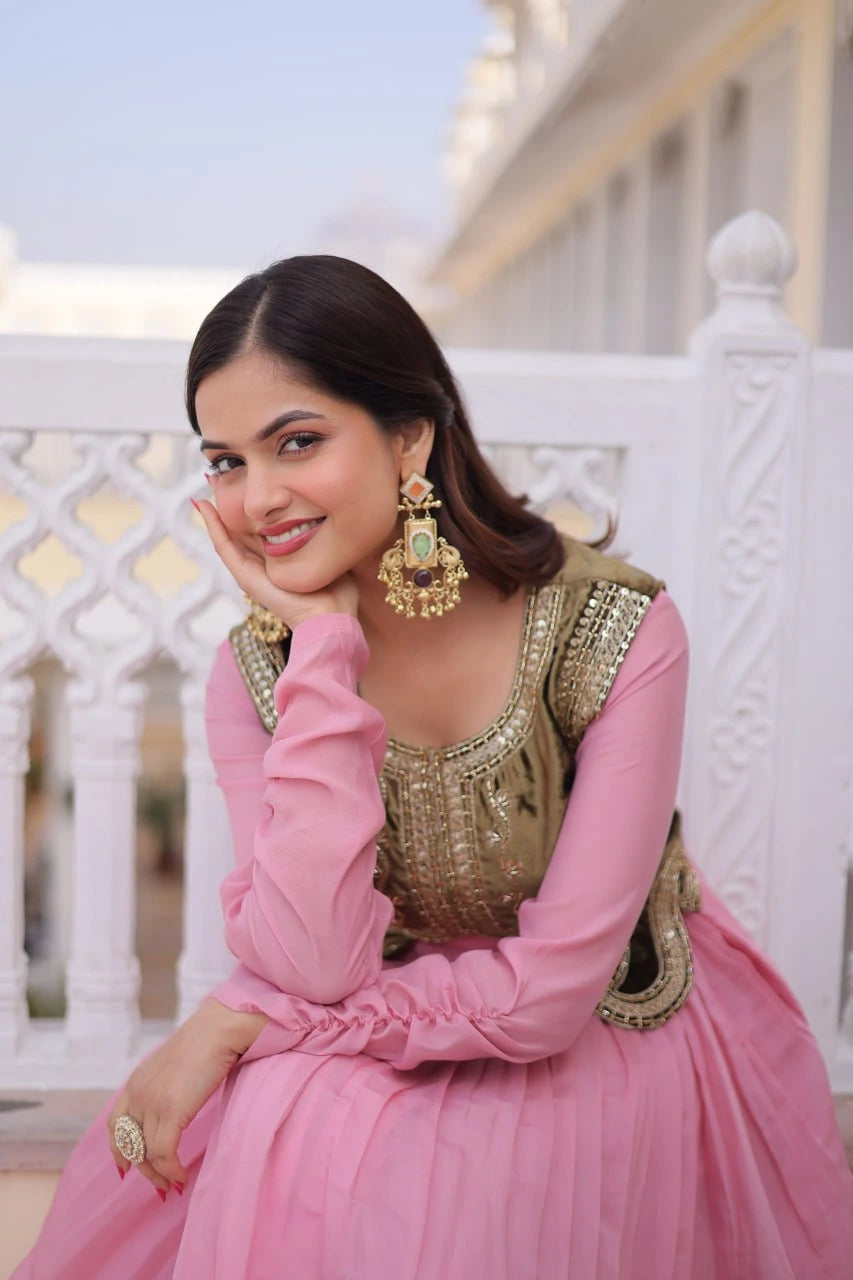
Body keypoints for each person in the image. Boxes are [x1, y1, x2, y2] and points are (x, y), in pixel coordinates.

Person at [14, 256, 852, 1280]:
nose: (257, 497)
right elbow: (315, 960)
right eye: (226, 460)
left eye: (297, 442)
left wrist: (244, 1015)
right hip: (386, 1010)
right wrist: (322, 651)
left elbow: (551, 993)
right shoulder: (260, 677)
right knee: (288, 1116)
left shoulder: (616, 631)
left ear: (410, 433)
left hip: (609, 1017)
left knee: (457, 1188)